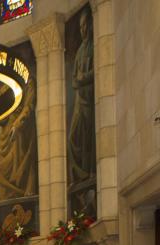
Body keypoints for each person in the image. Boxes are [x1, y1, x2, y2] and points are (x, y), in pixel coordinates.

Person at [0, 77, 37, 200]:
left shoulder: (28, 82)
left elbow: (29, 106)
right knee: (0, 164)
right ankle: (6, 198)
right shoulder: (4, 88)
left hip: (21, 129)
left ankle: (23, 193)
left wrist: (18, 124)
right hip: (7, 130)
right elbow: (3, 115)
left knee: (20, 160)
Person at [68, 8, 95, 185]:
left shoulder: (94, 45)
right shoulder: (79, 52)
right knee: (72, 137)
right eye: (81, 26)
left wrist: (83, 78)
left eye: (86, 25)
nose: (83, 29)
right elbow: (73, 78)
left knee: (89, 137)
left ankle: (90, 173)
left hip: (90, 98)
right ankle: (79, 176)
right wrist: (77, 81)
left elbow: (95, 70)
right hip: (80, 100)